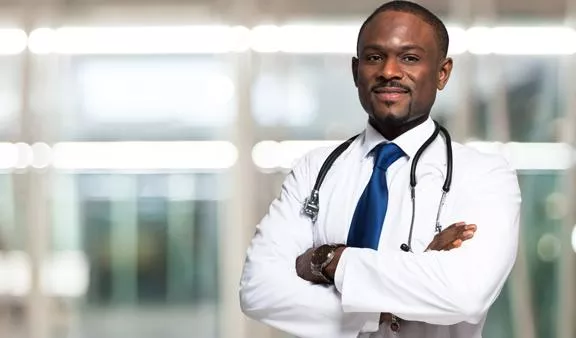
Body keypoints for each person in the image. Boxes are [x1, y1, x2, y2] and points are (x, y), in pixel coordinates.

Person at [239, 1, 521, 337]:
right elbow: (259, 289)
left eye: (410, 58)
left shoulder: (484, 174)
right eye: (374, 57)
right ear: (356, 69)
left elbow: (465, 293)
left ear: (442, 72)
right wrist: (386, 306)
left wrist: (327, 259)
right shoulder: (315, 169)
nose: (389, 71)